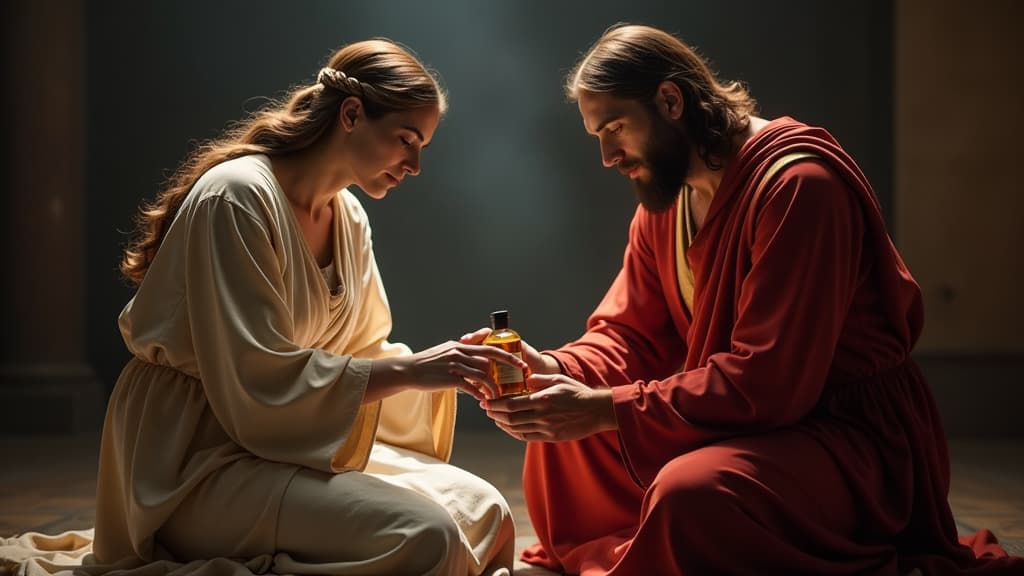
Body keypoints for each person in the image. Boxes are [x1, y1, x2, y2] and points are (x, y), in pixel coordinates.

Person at [469, 24, 1024, 575]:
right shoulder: (665, 206)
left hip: (841, 433)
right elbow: (628, 333)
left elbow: (770, 381)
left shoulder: (799, 187)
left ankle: (662, 547)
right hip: (747, 418)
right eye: (597, 135)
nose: (608, 155)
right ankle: (645, 554)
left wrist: (606, 408)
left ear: (670, 100)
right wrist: (554, 370)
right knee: (560, 439)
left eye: (615, 127)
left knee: (691, 493)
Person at [69, 39, 523, 576]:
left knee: (487, 510)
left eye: (422, 145)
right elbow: (254, 378)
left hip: (289, 438)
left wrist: (448, 368)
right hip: (194, 459)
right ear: (351, 114)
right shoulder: (236, 198)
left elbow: (363, 350)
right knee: (426, 535)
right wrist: (418, 370)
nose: (415, 164)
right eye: (406, 139)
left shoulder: (348, 216)